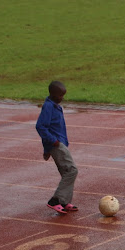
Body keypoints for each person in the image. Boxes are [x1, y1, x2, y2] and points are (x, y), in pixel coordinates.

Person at [35, 81, 78, 214]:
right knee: (72, 170)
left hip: (61, 143)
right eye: (60, 95)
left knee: (66, 172)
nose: (62, 98)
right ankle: (55, 200)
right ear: (53, 94)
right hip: (57, 144)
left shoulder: (56, 106)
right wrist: (52, 143)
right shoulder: (48, 107)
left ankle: (64, 202)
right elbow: (41, 126)